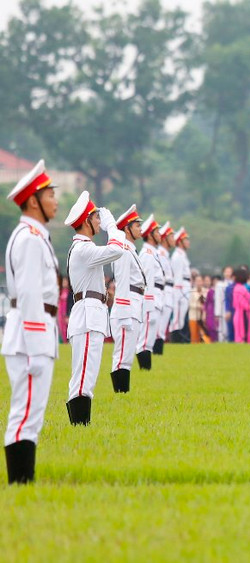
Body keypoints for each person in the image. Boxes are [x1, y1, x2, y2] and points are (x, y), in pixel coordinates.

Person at [2, 159, 60, 484]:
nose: (55, 201)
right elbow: (28, 297)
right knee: (25, 414)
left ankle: (24, 481)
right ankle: (20, 483)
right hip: (28, 337)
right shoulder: (28, 239)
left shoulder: (34, 236)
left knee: (31, 413)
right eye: (50, 195)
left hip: (33, 335)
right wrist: (38, 347)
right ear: (33, 201)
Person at [63, 192, 125, 425]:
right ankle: (79, 425)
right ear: (87, 221)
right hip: (88, 315)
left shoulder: (83, 248)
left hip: (91, 312)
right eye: (96, 218)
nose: (99, 222)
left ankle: (81, 424)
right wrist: (112, 226)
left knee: (87, 373)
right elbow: (117, 249)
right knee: (83, 376)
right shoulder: (83, 248)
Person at [109, 205, 147, 394]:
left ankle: (123, 393)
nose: (141, 229)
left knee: (127, 353)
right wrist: (124, 312)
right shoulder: (123, 250)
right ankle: (121, 394)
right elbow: (122, 282)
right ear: (127, 228)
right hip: (127, 304)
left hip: (134, 302)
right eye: (137, 225)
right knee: (122, 354)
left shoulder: (130, 249)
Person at [136, 215, 164, 370]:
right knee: (145, 338)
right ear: (150, 235)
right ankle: (145, 369)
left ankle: (147, 369)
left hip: (157, 296)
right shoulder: (147, 254)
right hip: (150, 299)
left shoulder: (152, 253)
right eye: (157, 232)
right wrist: (149, 302)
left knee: (150, 336)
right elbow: (146, 280)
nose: (160, 235)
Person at [153, 222, 175, 353]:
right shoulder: (160, 253)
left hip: (168, 289)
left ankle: (158, 351)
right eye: (171, 237)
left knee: (163, 324)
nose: (174, 240)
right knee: (159, 326)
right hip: (163, 289)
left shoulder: (165, 254)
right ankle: (156, 352)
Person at [170, 227, 192, 341]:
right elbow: (177, 276)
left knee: (182, 316)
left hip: (185, 287)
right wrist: (178, 293)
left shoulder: (182, 255)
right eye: (185, 240)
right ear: (179, 242)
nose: (188, 242)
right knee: (178, 317)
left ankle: (180, 339)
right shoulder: (177, 256)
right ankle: (175, 339)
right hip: (180, 288)